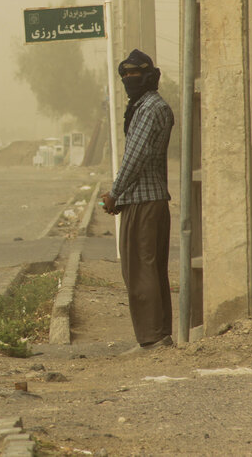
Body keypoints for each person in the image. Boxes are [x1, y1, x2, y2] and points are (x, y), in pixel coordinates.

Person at [100, 49, 175, 352]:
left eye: (134, 74)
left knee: (140, 273)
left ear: (148, 76)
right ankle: (159, 335)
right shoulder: (144, 106)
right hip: (146, 199)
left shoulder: (149, 108)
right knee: (151, 271)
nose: (129, 80)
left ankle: (153, 340)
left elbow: (136, 156)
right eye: (125, 75)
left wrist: (115, 192)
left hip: (143, 202)